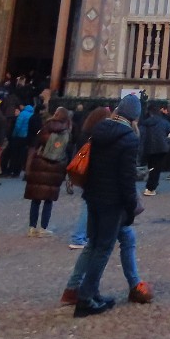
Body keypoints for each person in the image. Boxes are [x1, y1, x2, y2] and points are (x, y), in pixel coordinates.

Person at [75, 94, 142, 317]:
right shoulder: (129, 139)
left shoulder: (99, 129)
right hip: (112, 202)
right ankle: (85, 298)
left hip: (93, 196)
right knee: (103, 249)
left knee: (94, 244)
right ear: (134, 116)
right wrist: (131, 206)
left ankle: (90, 293)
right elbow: (126, 179)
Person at [68, 105, 114, 249]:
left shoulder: (85, 132)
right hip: (95, 173)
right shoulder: (97, 135)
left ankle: (90, 233)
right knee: (88, 205)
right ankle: (78, 237)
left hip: (87, 172)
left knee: (91, 204)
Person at [25, 106, 71, 236]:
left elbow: (36, 144)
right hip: (55, 167)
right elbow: (68, 150)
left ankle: (32, 227)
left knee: (36, 198)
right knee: (48, 199)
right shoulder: (66, 131)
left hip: (40, 164)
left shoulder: (45, 127)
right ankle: (43, 227)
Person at [138, 102, 170, 196]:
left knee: (151, 167)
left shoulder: (145, 123)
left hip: (149, 148)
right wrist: (167, 143)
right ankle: (151, 187)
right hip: (161, 148)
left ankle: (150, 186)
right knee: (156, 168)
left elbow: (141, 137)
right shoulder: (164, 122)